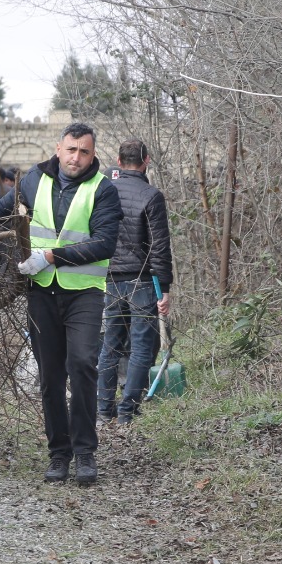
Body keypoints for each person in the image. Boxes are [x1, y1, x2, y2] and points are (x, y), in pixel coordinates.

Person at [0, 123, 122, 486]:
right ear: (58, 148)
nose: (76, 158)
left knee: (82, 366)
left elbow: (104, 243)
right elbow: (0, 211)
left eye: (84, 151)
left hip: (84, 292)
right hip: (41, 293)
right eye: (71, 149)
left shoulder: (103, 190)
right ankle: (59, 453)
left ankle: (85, 452)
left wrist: (50, 256)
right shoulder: (35, 179)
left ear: (92, 154)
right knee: (50, 375)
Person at [96, 139, 175, 427]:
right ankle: (127, 411)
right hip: (141, 280)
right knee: (142, 346)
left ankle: (103, 410)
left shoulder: (103, 191)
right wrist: (164, 289)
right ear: (147, 160)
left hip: (110, 279)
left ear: (119, 161)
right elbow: (159, 247)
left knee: (111, 344)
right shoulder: (152, 196)